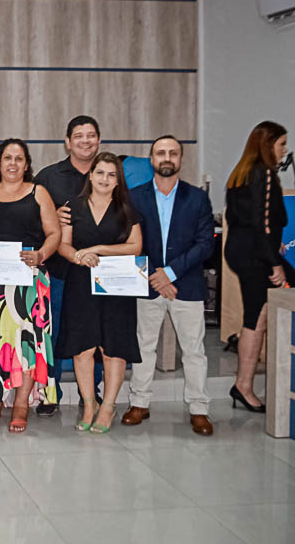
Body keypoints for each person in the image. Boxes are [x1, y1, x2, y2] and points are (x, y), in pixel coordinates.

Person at [123, 136, 215, 435]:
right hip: (147, 283)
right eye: (160, 153)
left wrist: (171, 273)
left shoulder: (197, 197)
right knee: (143, 346)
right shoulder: (134, 197)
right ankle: (139, 403)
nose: (166, 158)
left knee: (194, 350)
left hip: (185, 284)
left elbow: (205, 244)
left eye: (172, 153)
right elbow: (130, 243)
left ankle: (199, 409)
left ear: (180, 159)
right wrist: (156, 276)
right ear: (151, 160)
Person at [0, 139, 60, 433]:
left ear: (26, 164)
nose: (13, 163)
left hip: (29, 282)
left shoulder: (38, 193)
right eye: (7, 158)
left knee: (27, 345)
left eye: (19, 159)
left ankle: (21, 403)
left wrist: (41, 254)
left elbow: (55, 233)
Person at [56, 152, 142, 433]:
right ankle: (90, 404)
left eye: (111, 174)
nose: (105, 179)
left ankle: (108, 406)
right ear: (90, 175)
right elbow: (63, 245)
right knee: (83, 348)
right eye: (100, 173)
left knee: (112, 350)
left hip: (117, 287)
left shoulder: (127, 208)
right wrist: (78, 257)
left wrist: (98, 250)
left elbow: (135, 247)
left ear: (118, 180)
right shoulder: (73, 206)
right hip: (81, 285)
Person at [34, 115, 102, 415]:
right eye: (79, 136)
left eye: (91, 135)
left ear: (98, 140)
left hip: (99, 273)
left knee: (96, 335)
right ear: (67, 141)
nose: (85, 141)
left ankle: (94, 392)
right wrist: (51, 219)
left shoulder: (109, 174)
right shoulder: (49, 177)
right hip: (59, 272)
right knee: (54, 333)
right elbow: (31, 220)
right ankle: (51, 392)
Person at [224, 121, 290, 413]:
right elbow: (262, 224)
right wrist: (274, 263)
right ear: (268, 145)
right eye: (281, 144)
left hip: (243, 252)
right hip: (255, 256)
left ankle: (243, 380)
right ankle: (244, 385)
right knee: (257, 317)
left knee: (256, 315)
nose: (284, 150)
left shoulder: (240, 174)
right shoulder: (263, 173)